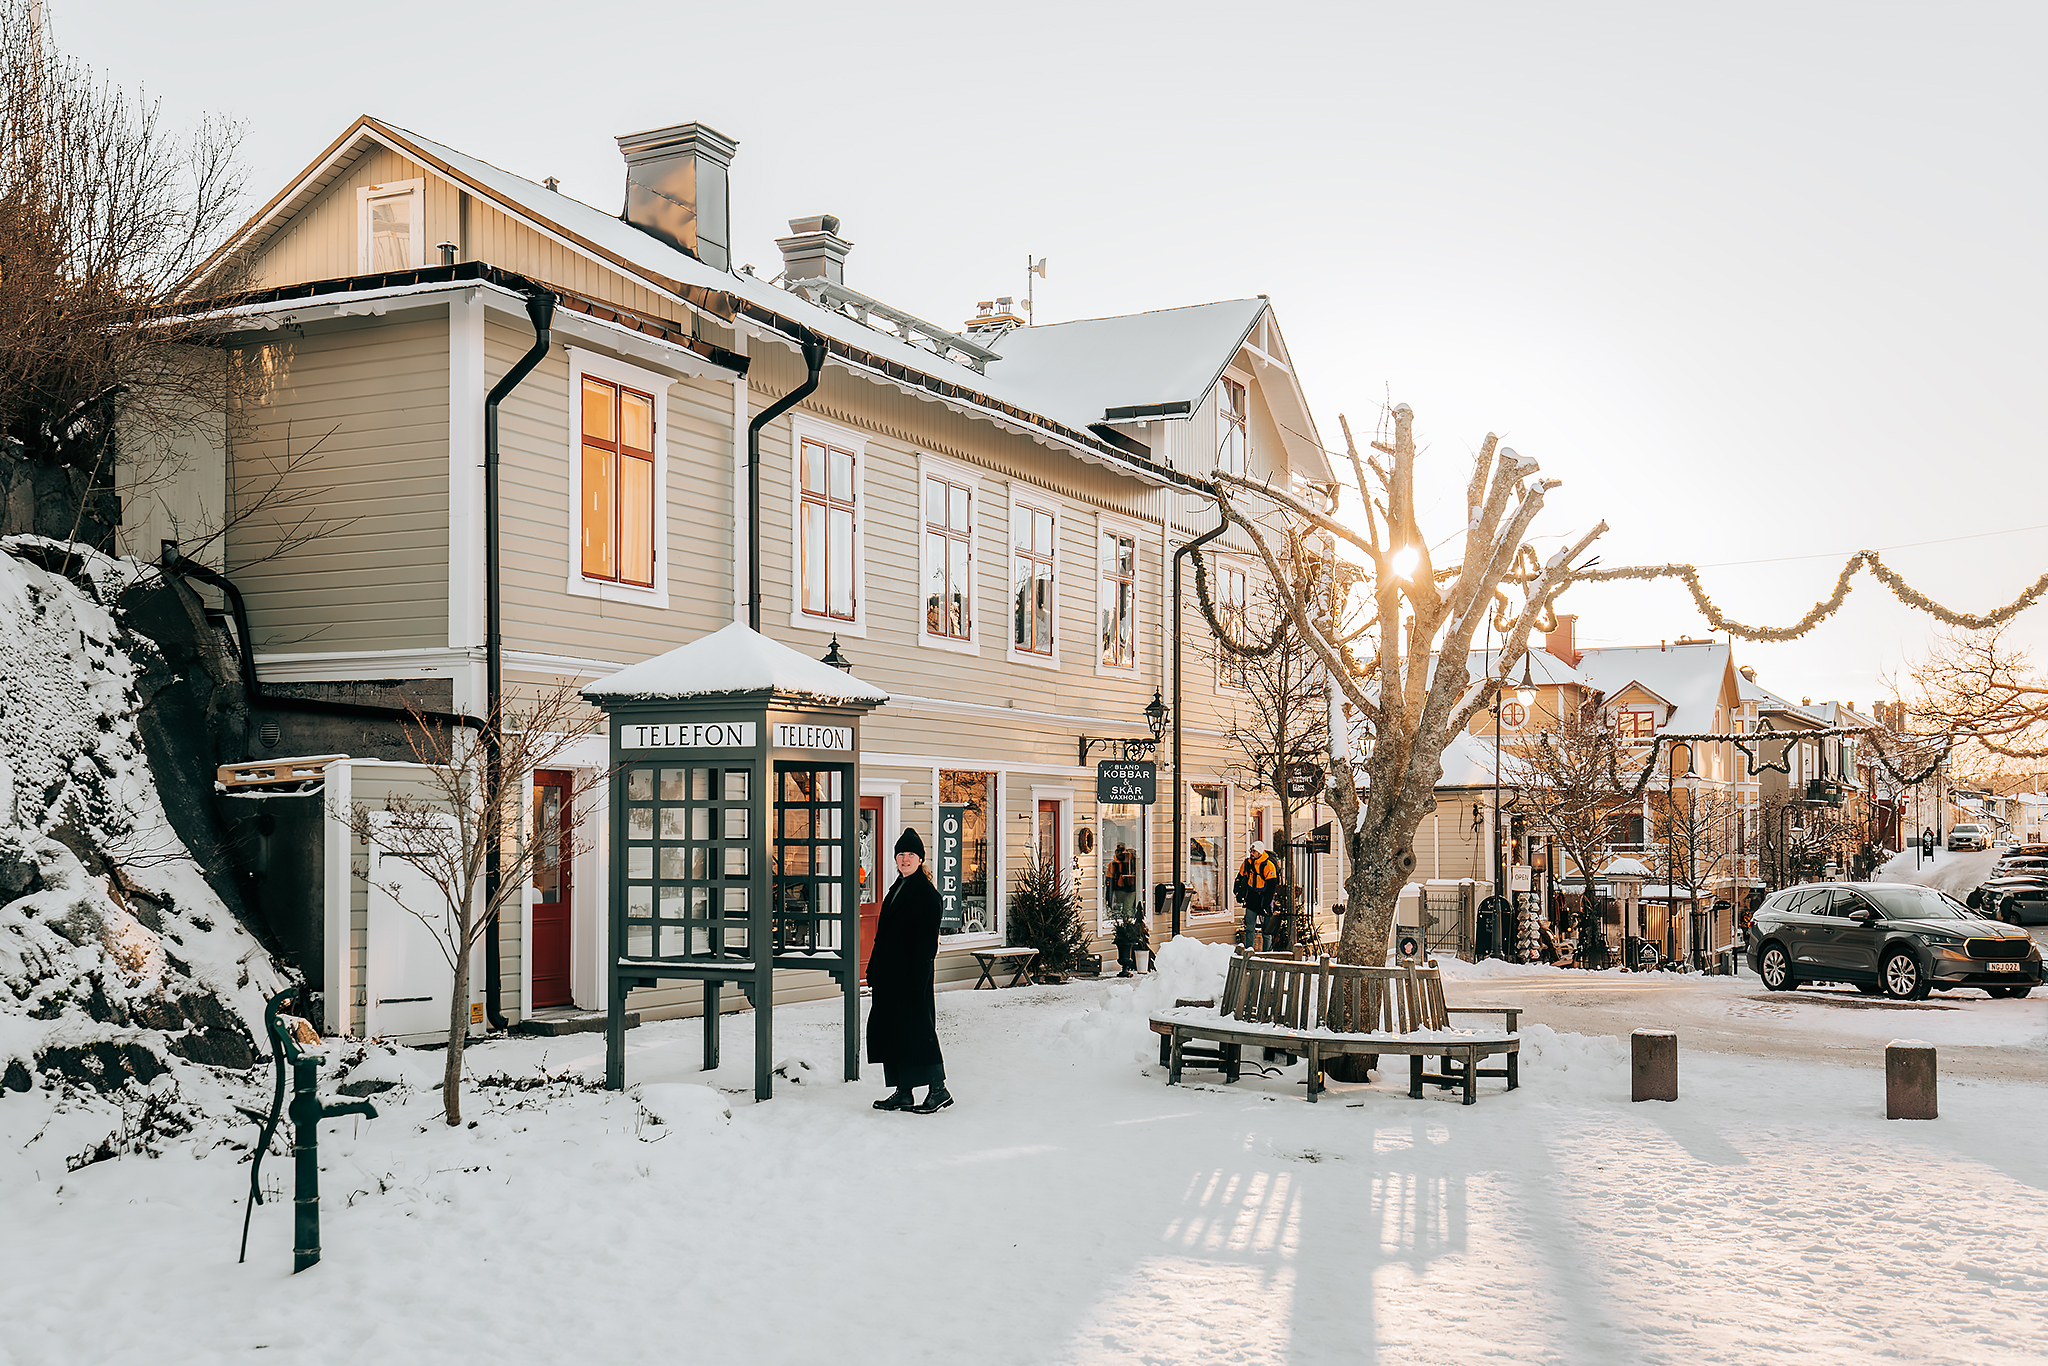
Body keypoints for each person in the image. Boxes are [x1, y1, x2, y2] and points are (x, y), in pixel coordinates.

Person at [867, 828, 952, 1114]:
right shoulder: (897, 887)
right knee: (894, 1033)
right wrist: (873, 967)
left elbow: (927, 944)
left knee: (919, 1032)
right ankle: (903, 1092)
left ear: (920, 859)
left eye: (910, 855)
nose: (905, 859)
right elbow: (884, 935)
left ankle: (938, 1089)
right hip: (890, 977)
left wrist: (917, 980)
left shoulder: (926, 895)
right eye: (901, 854)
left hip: (911, 977)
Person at [1234, 840, 1280, 951]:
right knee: (1250, 928)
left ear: (1259, 852)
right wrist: (1237, 891)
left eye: (1254, 851)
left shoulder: (1268, 865)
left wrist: (1266, 904)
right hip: (1252, 898)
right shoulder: (1247, 863)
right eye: (1251, 850)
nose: (1251, 853)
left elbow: (1271, 887)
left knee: (1266, 931)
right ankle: (1249, 952)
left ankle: (1267, 954)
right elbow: (1240, 878)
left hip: (1264, 898)